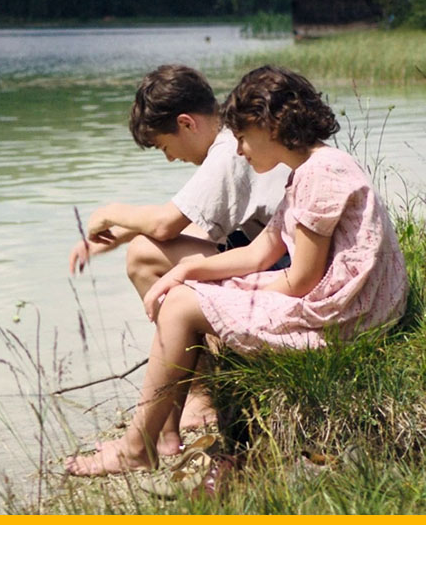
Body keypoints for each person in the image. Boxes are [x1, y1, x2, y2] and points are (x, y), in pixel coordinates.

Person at [65, 65, 408, 476]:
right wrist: (187, 274)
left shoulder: (321, 176)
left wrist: (215, 284)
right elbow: (261, 251)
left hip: (346, 318)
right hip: (344, 304)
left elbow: (301, 281)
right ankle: (155, 435)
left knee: (178, 308)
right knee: (182, 294)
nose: (240, 150)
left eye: (243, 138)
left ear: (271, 126)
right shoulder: (308, 172)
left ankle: (137, 449)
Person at [69, 64, 289, 452]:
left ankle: (197, 398)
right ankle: (177, 414)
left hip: (283, 275)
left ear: (186, 123)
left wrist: (111, 212)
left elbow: (166, 225)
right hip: (277, 260)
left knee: (144, 259)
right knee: (144, 252)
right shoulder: (236, 141)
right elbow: (197, 224)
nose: (170, 159)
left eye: (164, 147)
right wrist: (116, 237)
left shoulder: (227, 151)